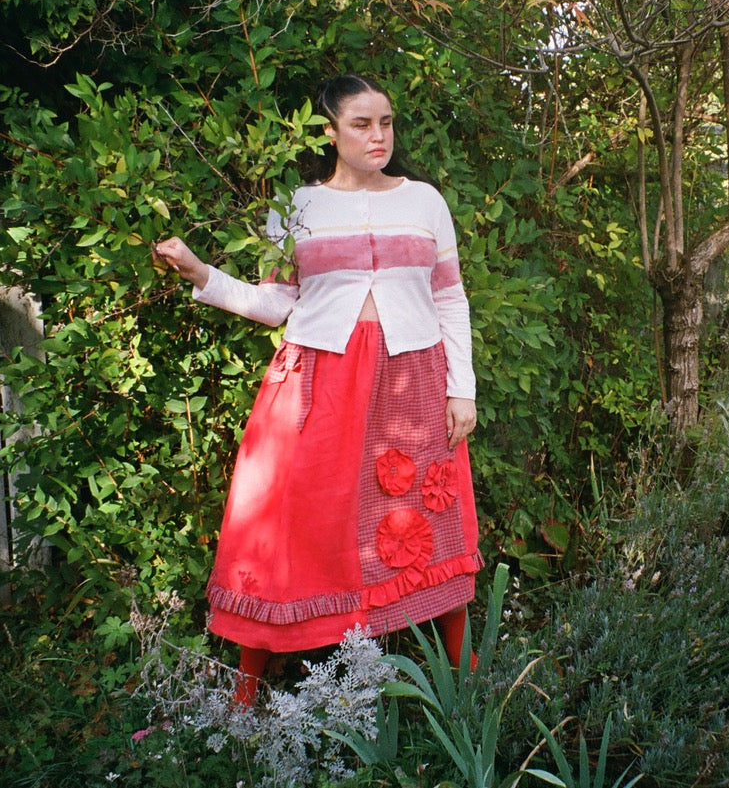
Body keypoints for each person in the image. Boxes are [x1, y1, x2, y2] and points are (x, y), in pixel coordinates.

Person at [153, 74, 482, 705]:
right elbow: (275, 302)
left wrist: (460, 389)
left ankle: (462, 680)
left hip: (411, 380)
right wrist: (202, 273)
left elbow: (449, 297)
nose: (378, 135)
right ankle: (247, 696)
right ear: (328, 132)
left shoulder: (425, 202)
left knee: (425, 523)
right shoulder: (297, 208)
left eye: (385, 122)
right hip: (318, 380)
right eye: (361, 124)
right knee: (290, 520)